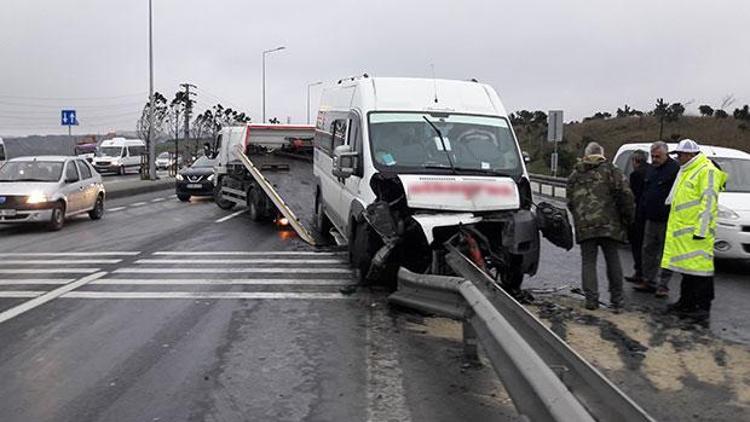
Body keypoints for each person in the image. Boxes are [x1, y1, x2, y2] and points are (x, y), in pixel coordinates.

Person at [661, 139, 726, 322]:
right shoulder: (687, 170)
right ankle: (686, 303)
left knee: (701, 273)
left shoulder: (706, 171)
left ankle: (701, 309)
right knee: (687, 270)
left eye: (680, 155)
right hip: (685, 233)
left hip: (697, 234)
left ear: (691, 155)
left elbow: (709, 202)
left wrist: (701, 231)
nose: (678, 158)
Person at [567, 142, 635, 311]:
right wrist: (628, 218)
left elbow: (570, 201)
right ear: (602, 154)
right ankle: (617, 299)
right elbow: (626, 196)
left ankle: (591, 300)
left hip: (585, 225)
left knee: (588, 262)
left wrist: (579, 216)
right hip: (610, 224)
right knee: (612, 259)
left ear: (586, 154)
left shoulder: (576, 175)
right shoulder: (612, 171)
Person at [633, 141, 680, 297]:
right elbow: (646, 192)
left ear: (666, 154)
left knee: (665, 253)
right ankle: (648, 280)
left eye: (657, 156)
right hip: (650, 217)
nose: (654, 159)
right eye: (652, 156)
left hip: (668, 219)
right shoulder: (651, 170)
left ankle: (663, 284)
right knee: (648, 250)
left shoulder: (675, 170)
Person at [625, 149, 649, 284]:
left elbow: (632, 197)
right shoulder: (652, 171)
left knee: (637, 244)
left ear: (635, 161)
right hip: (650, 214)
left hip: (638, 215)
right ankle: (645, 273)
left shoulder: (635, 175)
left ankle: (639, 271)